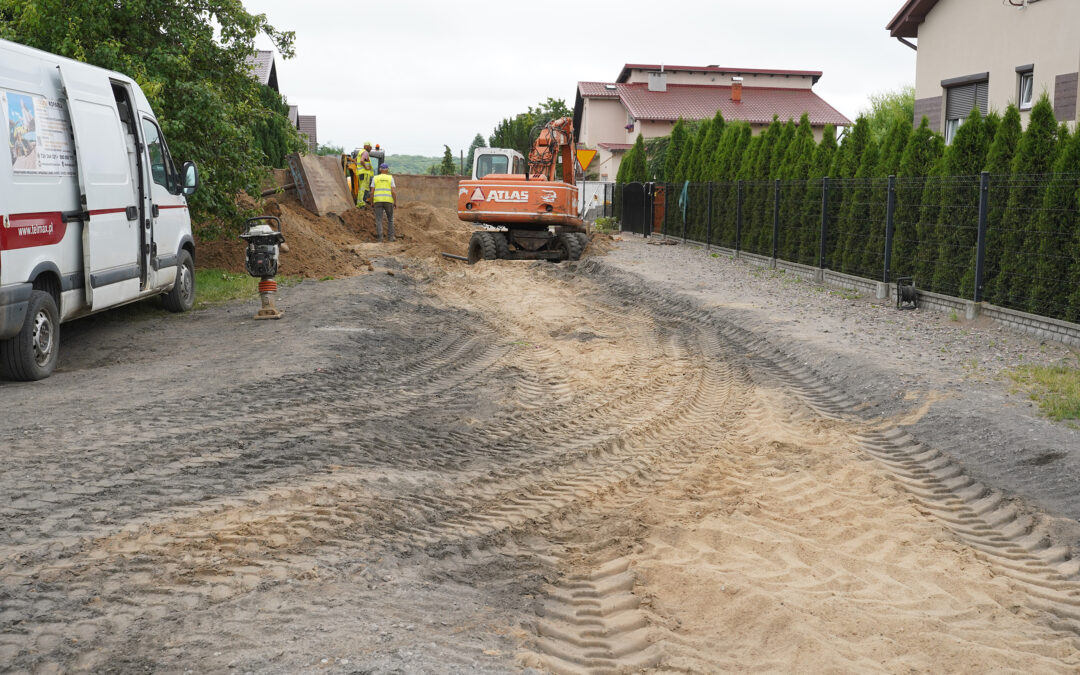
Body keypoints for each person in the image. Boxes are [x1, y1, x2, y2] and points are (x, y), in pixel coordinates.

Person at [369, 163, 397, 242]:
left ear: (380, 170)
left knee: (379, 219)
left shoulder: (375, 178)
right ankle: (391, 238)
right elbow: (393, 192)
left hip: (377, 201)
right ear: (387, 170)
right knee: (390, 219)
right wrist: (395, 202)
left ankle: (380, 239)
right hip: (388, 201)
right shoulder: (390, 178)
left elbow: (371, 192)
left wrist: (371, 202)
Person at [356, 142, 374, 206]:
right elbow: (361, 160)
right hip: (364, 173)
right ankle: (361, 203)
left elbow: (357, 161)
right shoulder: (365, 152)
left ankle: (361, 202)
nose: (371, 149)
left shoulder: (360, 152)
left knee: (363, 188)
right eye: (370, 147)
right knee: (363, 188)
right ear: (366, 146)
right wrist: (366, 167)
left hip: (362, 173)